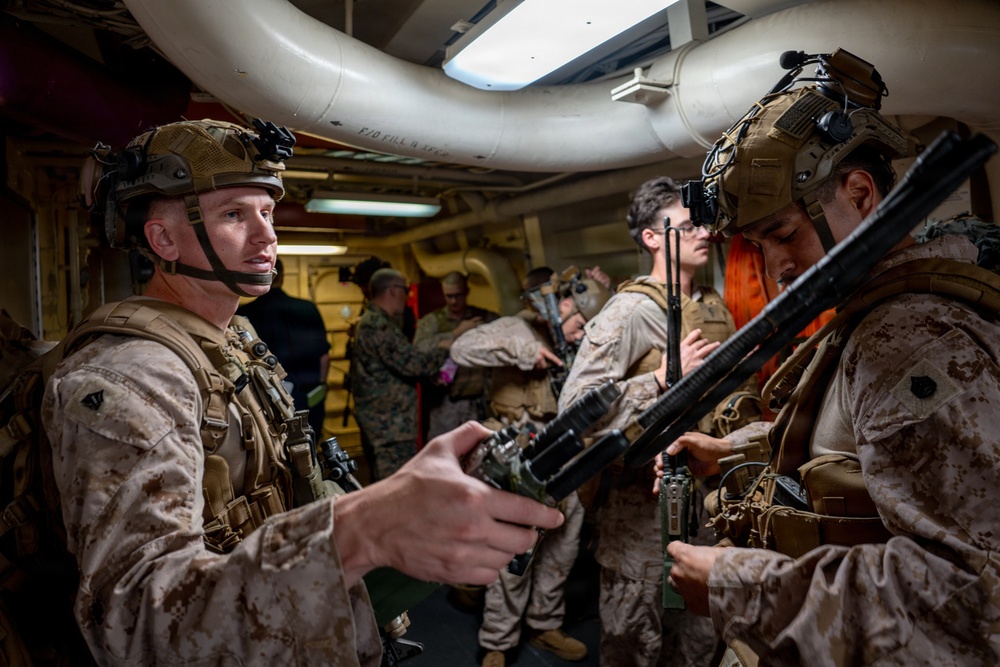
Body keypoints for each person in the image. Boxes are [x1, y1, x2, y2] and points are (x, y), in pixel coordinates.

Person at [42, 118, 565, 665]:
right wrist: (364, 530)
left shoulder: (234, 336)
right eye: (233, 214)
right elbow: (135, 627)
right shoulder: (132, 376)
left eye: (266, 212)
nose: (267, 236)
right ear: (163, 238)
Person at [662, 50, 1000, 665]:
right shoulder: (876, 313)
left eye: (786, 235)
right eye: (760, 246)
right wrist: (734, 450)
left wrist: (742, 589)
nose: (777, 270)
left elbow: (975, 597)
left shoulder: (908, 342)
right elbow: (853, 446)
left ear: (862, 193)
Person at [558, 176, 761, 667]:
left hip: (711, 504)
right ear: (652, 237)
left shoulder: (712, 307)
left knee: (700, 640)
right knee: (634, 640)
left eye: (703, 226)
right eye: (687, 226)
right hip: (640, 518)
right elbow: (573, 411)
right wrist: (661, 380)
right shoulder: (629, 311)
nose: (702, 234)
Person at [450, 267, 612, 667]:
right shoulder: (516, 328)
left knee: (562, 549)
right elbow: (461, 349)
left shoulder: (578, 334)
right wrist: (523, 352)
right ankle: (498, 641)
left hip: (570, 454)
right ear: (564, 305)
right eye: (578, 323)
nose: (580, 334)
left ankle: (544, 623)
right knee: (514, 555)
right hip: (522, 458)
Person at [351, 267, 479, 478]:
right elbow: (415, 364)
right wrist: (446, 343)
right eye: (405, 290)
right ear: (393, 291)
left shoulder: (375, 322)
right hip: (389, 427)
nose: (407, 296)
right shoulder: (378, 326)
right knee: (397, 485)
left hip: (386, 424)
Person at [237, 256, 330, 437]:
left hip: (268, 403)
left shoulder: (244, 316)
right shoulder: (308, 308)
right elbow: (324, 356)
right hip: (311, 398)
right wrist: (323, 386)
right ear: (283, 276)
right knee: (310, 451)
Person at [414, 271, 498, 440]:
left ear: (466, 292)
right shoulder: (433, 321)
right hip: (446, 403)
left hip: (478, 400)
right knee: (443, 450)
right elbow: (418, 349)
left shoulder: (481, 318)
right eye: (449, 296)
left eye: (458, 295)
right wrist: (456, 333)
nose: (453, 301)